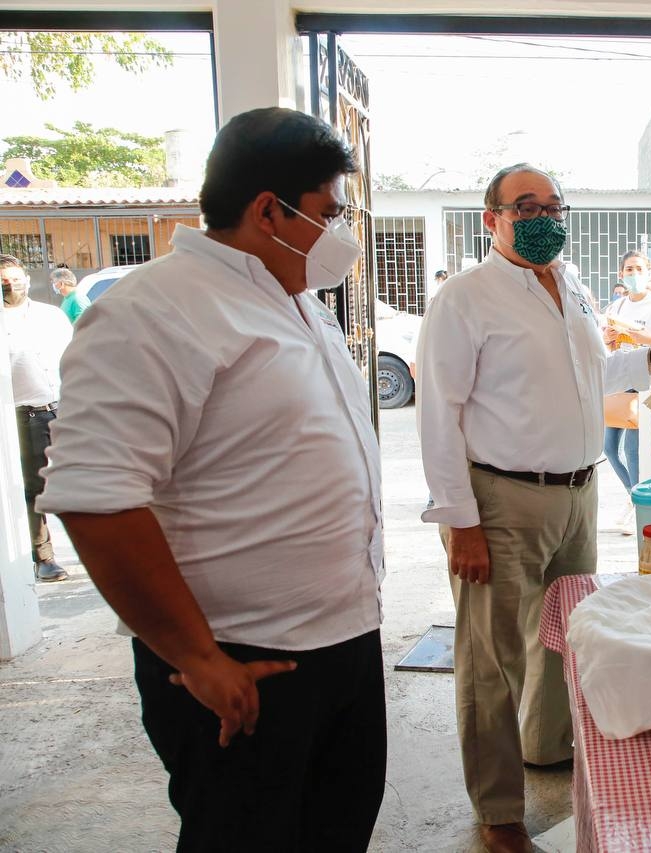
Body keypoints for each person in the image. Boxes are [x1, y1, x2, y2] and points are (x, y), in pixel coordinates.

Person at [37, 108, 387, 850]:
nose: (342, 234)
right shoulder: (153, 311)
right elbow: (96, 498)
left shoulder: (296, 301)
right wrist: (195, 654)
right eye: (330, 212)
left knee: (336, 829)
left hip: (344, 642)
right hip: (240, 665)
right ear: (269, 210)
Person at [416, 164, 651, 853]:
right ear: (491, 218)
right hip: (501, 500)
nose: (545, 216)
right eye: (527, 206)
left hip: (578, 493)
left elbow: (591, 373)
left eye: (554, 205)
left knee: (561, 637)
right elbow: (438, 415)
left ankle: (545, 747)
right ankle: (498, 812)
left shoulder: (568, 283)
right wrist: (459, 520)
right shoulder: (466, 298)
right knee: (491, 662)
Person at [1, 254, 73, 582]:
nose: (11, 285)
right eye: (4, 281)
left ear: (27, 280)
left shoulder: (51, 316)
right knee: (35, 489)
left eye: (16, 279)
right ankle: (43, 556)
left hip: (64, 408)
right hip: (24, 416)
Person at [602, 251, 651, 498]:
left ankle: (639, 501)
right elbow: (609, 346)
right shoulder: (617, 306)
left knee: (632, 449)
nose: (634, 274)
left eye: (639, 269)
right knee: (609, 448)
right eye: (629, 269)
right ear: (620, 274)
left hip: (647, 382)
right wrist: (609, 340)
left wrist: (650, 341)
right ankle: (632, 494)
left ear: (648, 272)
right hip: (620, 381)